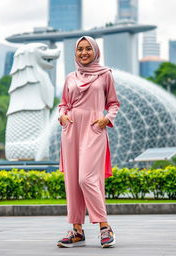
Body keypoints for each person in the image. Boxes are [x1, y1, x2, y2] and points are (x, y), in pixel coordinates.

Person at [57, 36, 120, 248]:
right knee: (73, 181)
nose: (84, 53)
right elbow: (63, 104)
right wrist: (62, 116)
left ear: (95, 51)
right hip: (72, 129)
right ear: (75, 53)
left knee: (87, 178)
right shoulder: (70, 77)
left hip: (94, 128)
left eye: (88, 49)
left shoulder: (105, 74)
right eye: (80, 49)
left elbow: (113, 103)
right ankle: (77, 231)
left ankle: (105, 227)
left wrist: (105, 120)